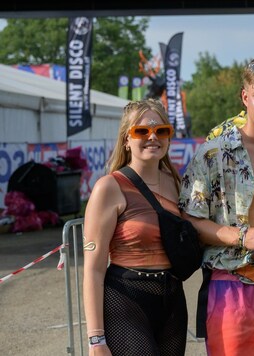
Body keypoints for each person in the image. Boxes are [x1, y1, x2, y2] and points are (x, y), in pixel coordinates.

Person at [178, 54, 254, 356]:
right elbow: (189, 219)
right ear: (245, 97)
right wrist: (244, 237)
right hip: (232, 286)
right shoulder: (213, 153)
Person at [83, 99, 187, 355]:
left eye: (161, 130)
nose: (153, 136)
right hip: (126, 300)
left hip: (173, 300)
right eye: (142, 131)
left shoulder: (177, 183)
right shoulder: (109, 187)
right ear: (126, 140)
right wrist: (96, 340)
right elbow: (93, 270)